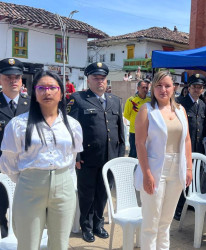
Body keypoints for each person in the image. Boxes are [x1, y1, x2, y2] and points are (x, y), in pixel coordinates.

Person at [0, 70, 83, 249]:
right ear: (33, 93)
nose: (47, 92)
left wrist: (64, 181)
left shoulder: (73, 125)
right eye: (41, 88)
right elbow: (8, 163)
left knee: (59, 244)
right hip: (29, 187)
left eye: (52, 87)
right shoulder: (18, 125)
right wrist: (28, 179)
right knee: (28, 244)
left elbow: (71, 158)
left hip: (64, 188)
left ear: (61, 92)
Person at [133, 71, 192, 249]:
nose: (163, 89)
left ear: (174, 88)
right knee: (151, 222)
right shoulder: (147, 110)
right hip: (155, 167)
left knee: (165, 222)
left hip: (176, 168)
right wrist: (146, 174)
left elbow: (187, 139)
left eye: (167, 85)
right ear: (152, 88)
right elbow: (140, 144)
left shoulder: (180, 110)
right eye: (158, 85)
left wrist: (188, 168)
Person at [67, 62, 126, 242]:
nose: (100, 81)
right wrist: (76, 155)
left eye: (102, 78)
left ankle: (98, 224)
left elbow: (119, 130)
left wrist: (120, 154)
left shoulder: (115, 100)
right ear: (88, 79)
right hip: (87, 158)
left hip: (110, 156)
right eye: (96, 78)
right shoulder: (78, 99)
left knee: (103, 193)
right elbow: (70, 129)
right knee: (87, 193)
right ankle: (86, 226)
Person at [0, 58, 30, 239]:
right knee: (0, 208)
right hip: (1, 169)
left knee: (26, 209)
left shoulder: (32, 104)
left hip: (26, 168)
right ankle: (3, 239)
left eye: (17, 77)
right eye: (8, 77)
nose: (13, 81)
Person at [174, 74, 206, 220]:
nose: (196, 89)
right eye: (194, 86)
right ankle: (178, 207)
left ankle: (190, 203)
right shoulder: (179, 103)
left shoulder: (202, 105)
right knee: (182, 177)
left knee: (194, 177)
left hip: (198, 147)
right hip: (183, 148)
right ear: (189, 88)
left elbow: (203, 127)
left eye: (199, 87)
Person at [123, 80, 151, 158]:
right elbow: (126, 115)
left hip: (147, 131)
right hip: (134, 131)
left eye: (146, 88)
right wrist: (136, 122)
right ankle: (131, 169)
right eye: (143, 88)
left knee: (145, 153)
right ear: (138, 88)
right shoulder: (131, 100)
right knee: (133, 153)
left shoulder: (150, 100)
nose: (145, 89)